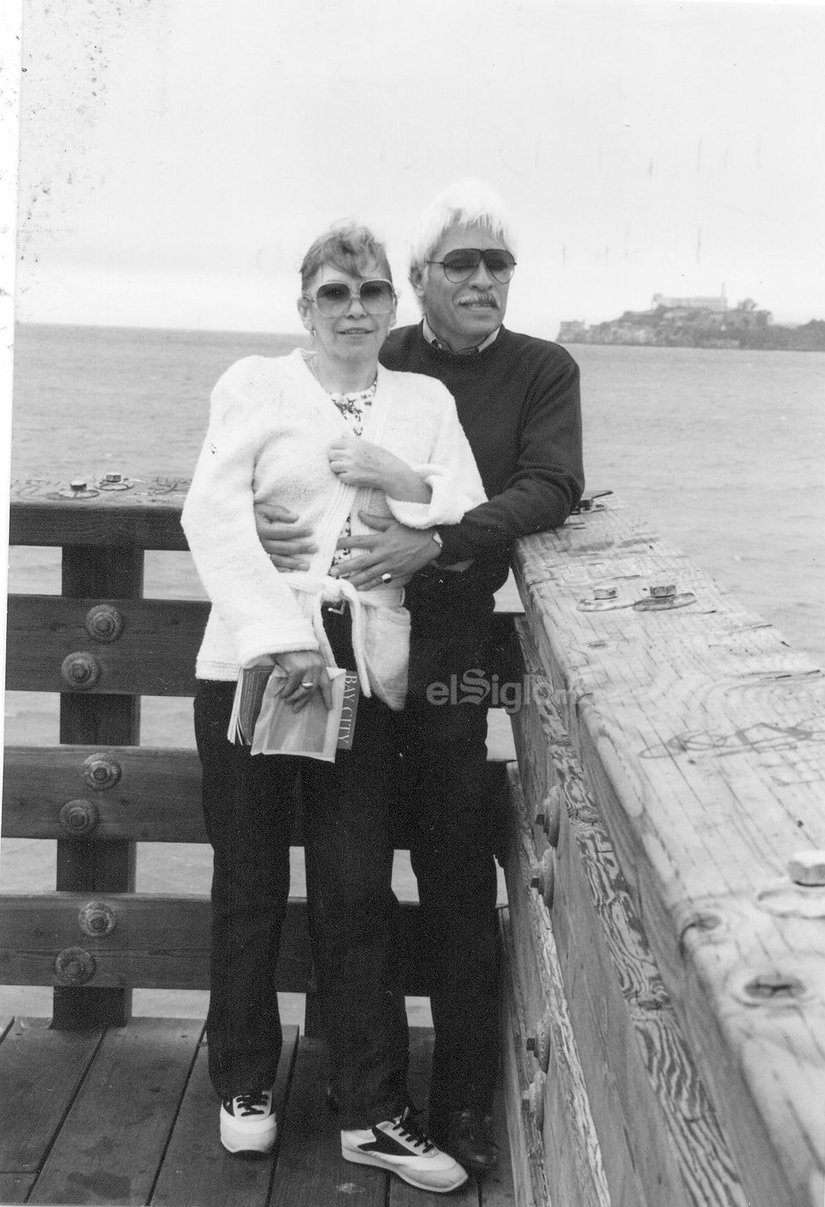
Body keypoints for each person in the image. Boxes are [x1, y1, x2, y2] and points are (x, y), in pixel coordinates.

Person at [256, 181, 585, 1173]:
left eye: (496, 264)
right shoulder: (384, 356)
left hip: (452, 653)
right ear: (416, 285)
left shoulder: (540, 368)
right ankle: (362, 1085)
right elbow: (290, 453)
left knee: (451, 876)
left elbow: (550, 483)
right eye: (462, 264)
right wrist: (256, 522)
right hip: (354, 643)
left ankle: (463, 1104)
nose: (483, 280)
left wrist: (430, 545)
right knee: (350, 873)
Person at [182, 222, 486, 1194]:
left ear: (395, 305)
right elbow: (212, 512)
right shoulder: (253, 385)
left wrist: (405, 480)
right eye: (332, 292)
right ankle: (243, 1086)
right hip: (254, 663)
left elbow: (464, 500)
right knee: (249, 882)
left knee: (356, 889)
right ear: (302, 303)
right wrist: (279, 637)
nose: (353, 308)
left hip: (361, 668)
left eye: (370, 293)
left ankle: (371, 1111)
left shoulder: (424, 398)